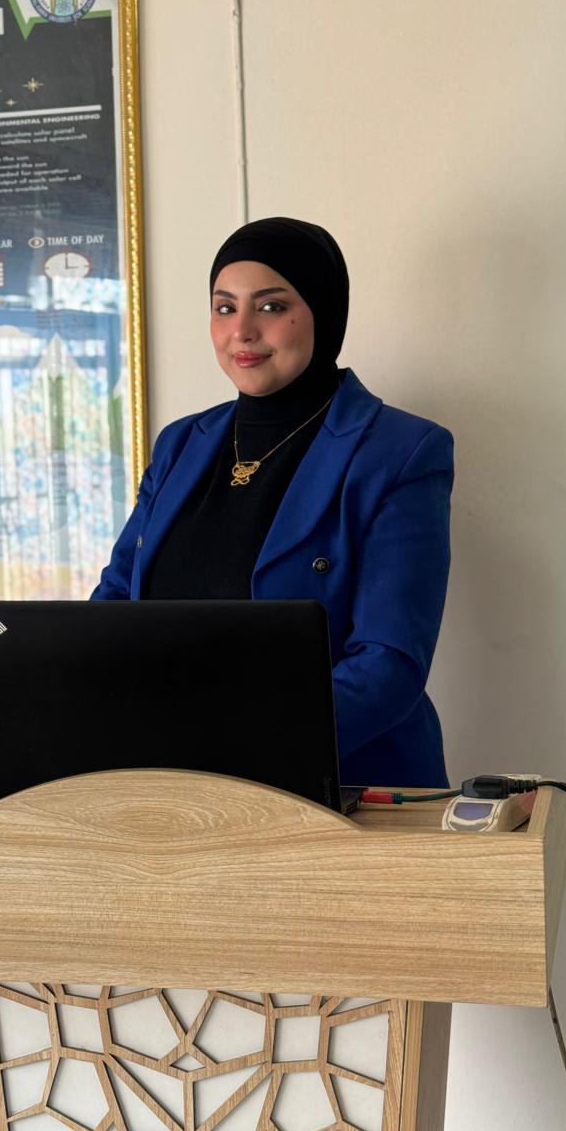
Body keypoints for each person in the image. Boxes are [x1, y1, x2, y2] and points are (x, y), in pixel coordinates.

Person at [91, 217, 453, 788]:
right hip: (169, 780)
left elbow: (389, 664)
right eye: (224, 307)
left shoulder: (401, 450)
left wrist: (235, 750)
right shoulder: (180, 443)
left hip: (339, 787)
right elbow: (114, 601)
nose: (242, 331)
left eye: (271, 306)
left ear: (323, 311)